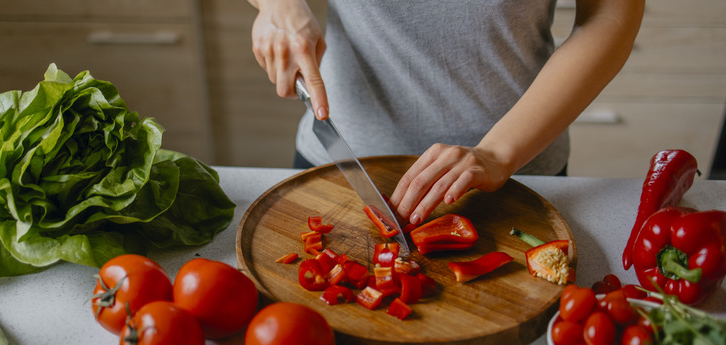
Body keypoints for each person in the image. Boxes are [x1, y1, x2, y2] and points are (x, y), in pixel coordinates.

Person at [247, 0, 644, 226]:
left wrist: (497, 153)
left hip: (518, 167)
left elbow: (611, 16)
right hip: (343, 159)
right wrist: (277, 7)